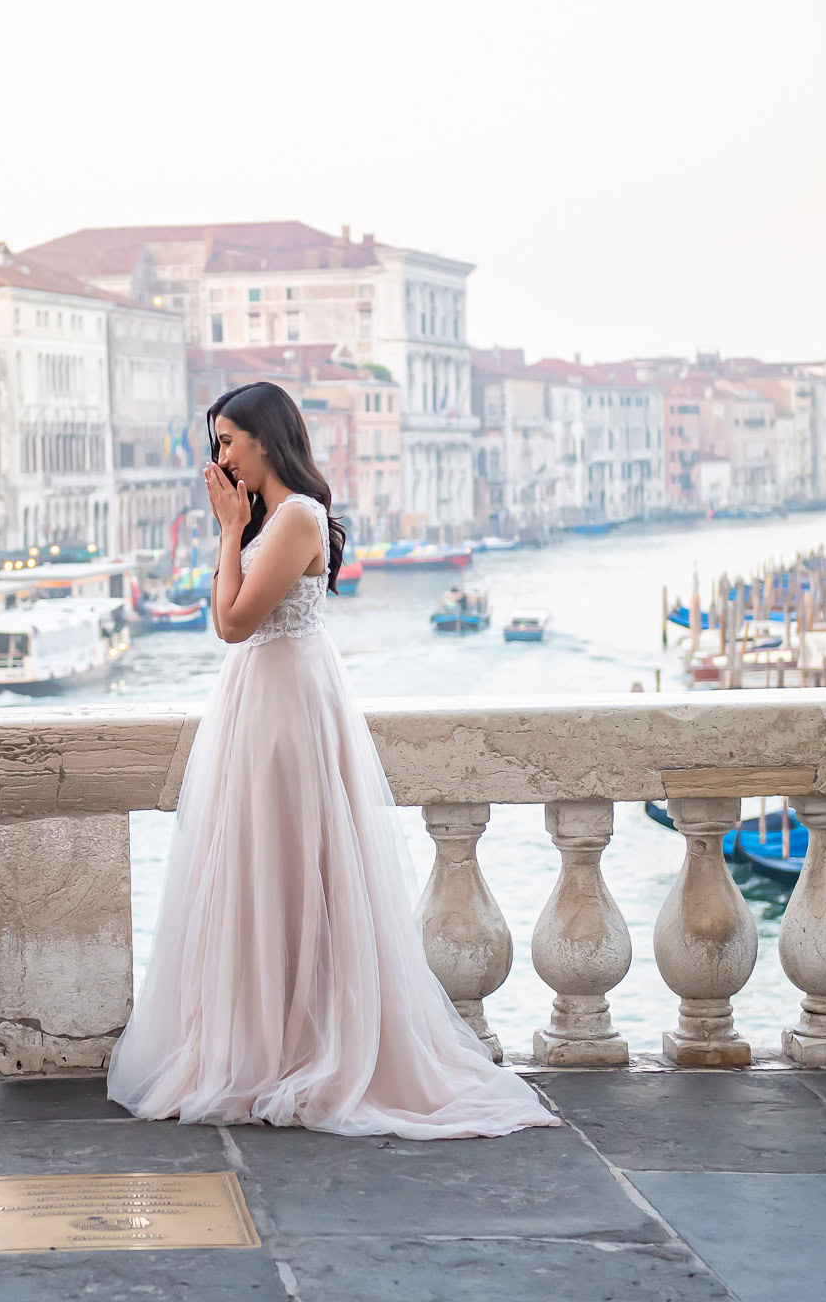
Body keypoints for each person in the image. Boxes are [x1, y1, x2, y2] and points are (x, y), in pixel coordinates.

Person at [106, 381, 557, 1140]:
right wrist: (232, 529)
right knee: (255, 864)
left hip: (285, 706)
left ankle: (302, 1047)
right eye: (215, 443)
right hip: (263, 700)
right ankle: (265, 1040)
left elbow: (232, 622)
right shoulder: (271, 517)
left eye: (225, 441)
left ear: (263, 438)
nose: (218, 457)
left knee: (294, 863)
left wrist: (226, 534)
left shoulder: (295, 517)